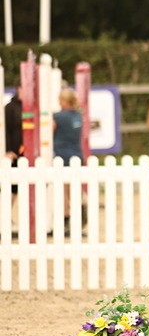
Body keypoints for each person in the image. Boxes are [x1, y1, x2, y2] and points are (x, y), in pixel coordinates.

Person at [52, 88, 86, 232]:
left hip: (62, 155)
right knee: (75, 189)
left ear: (65, 101)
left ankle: (66, 218)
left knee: (64, 190)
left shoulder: (58, 117)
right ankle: (81, 212)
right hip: (77, 154)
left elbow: (50, 132)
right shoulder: (78, 116)